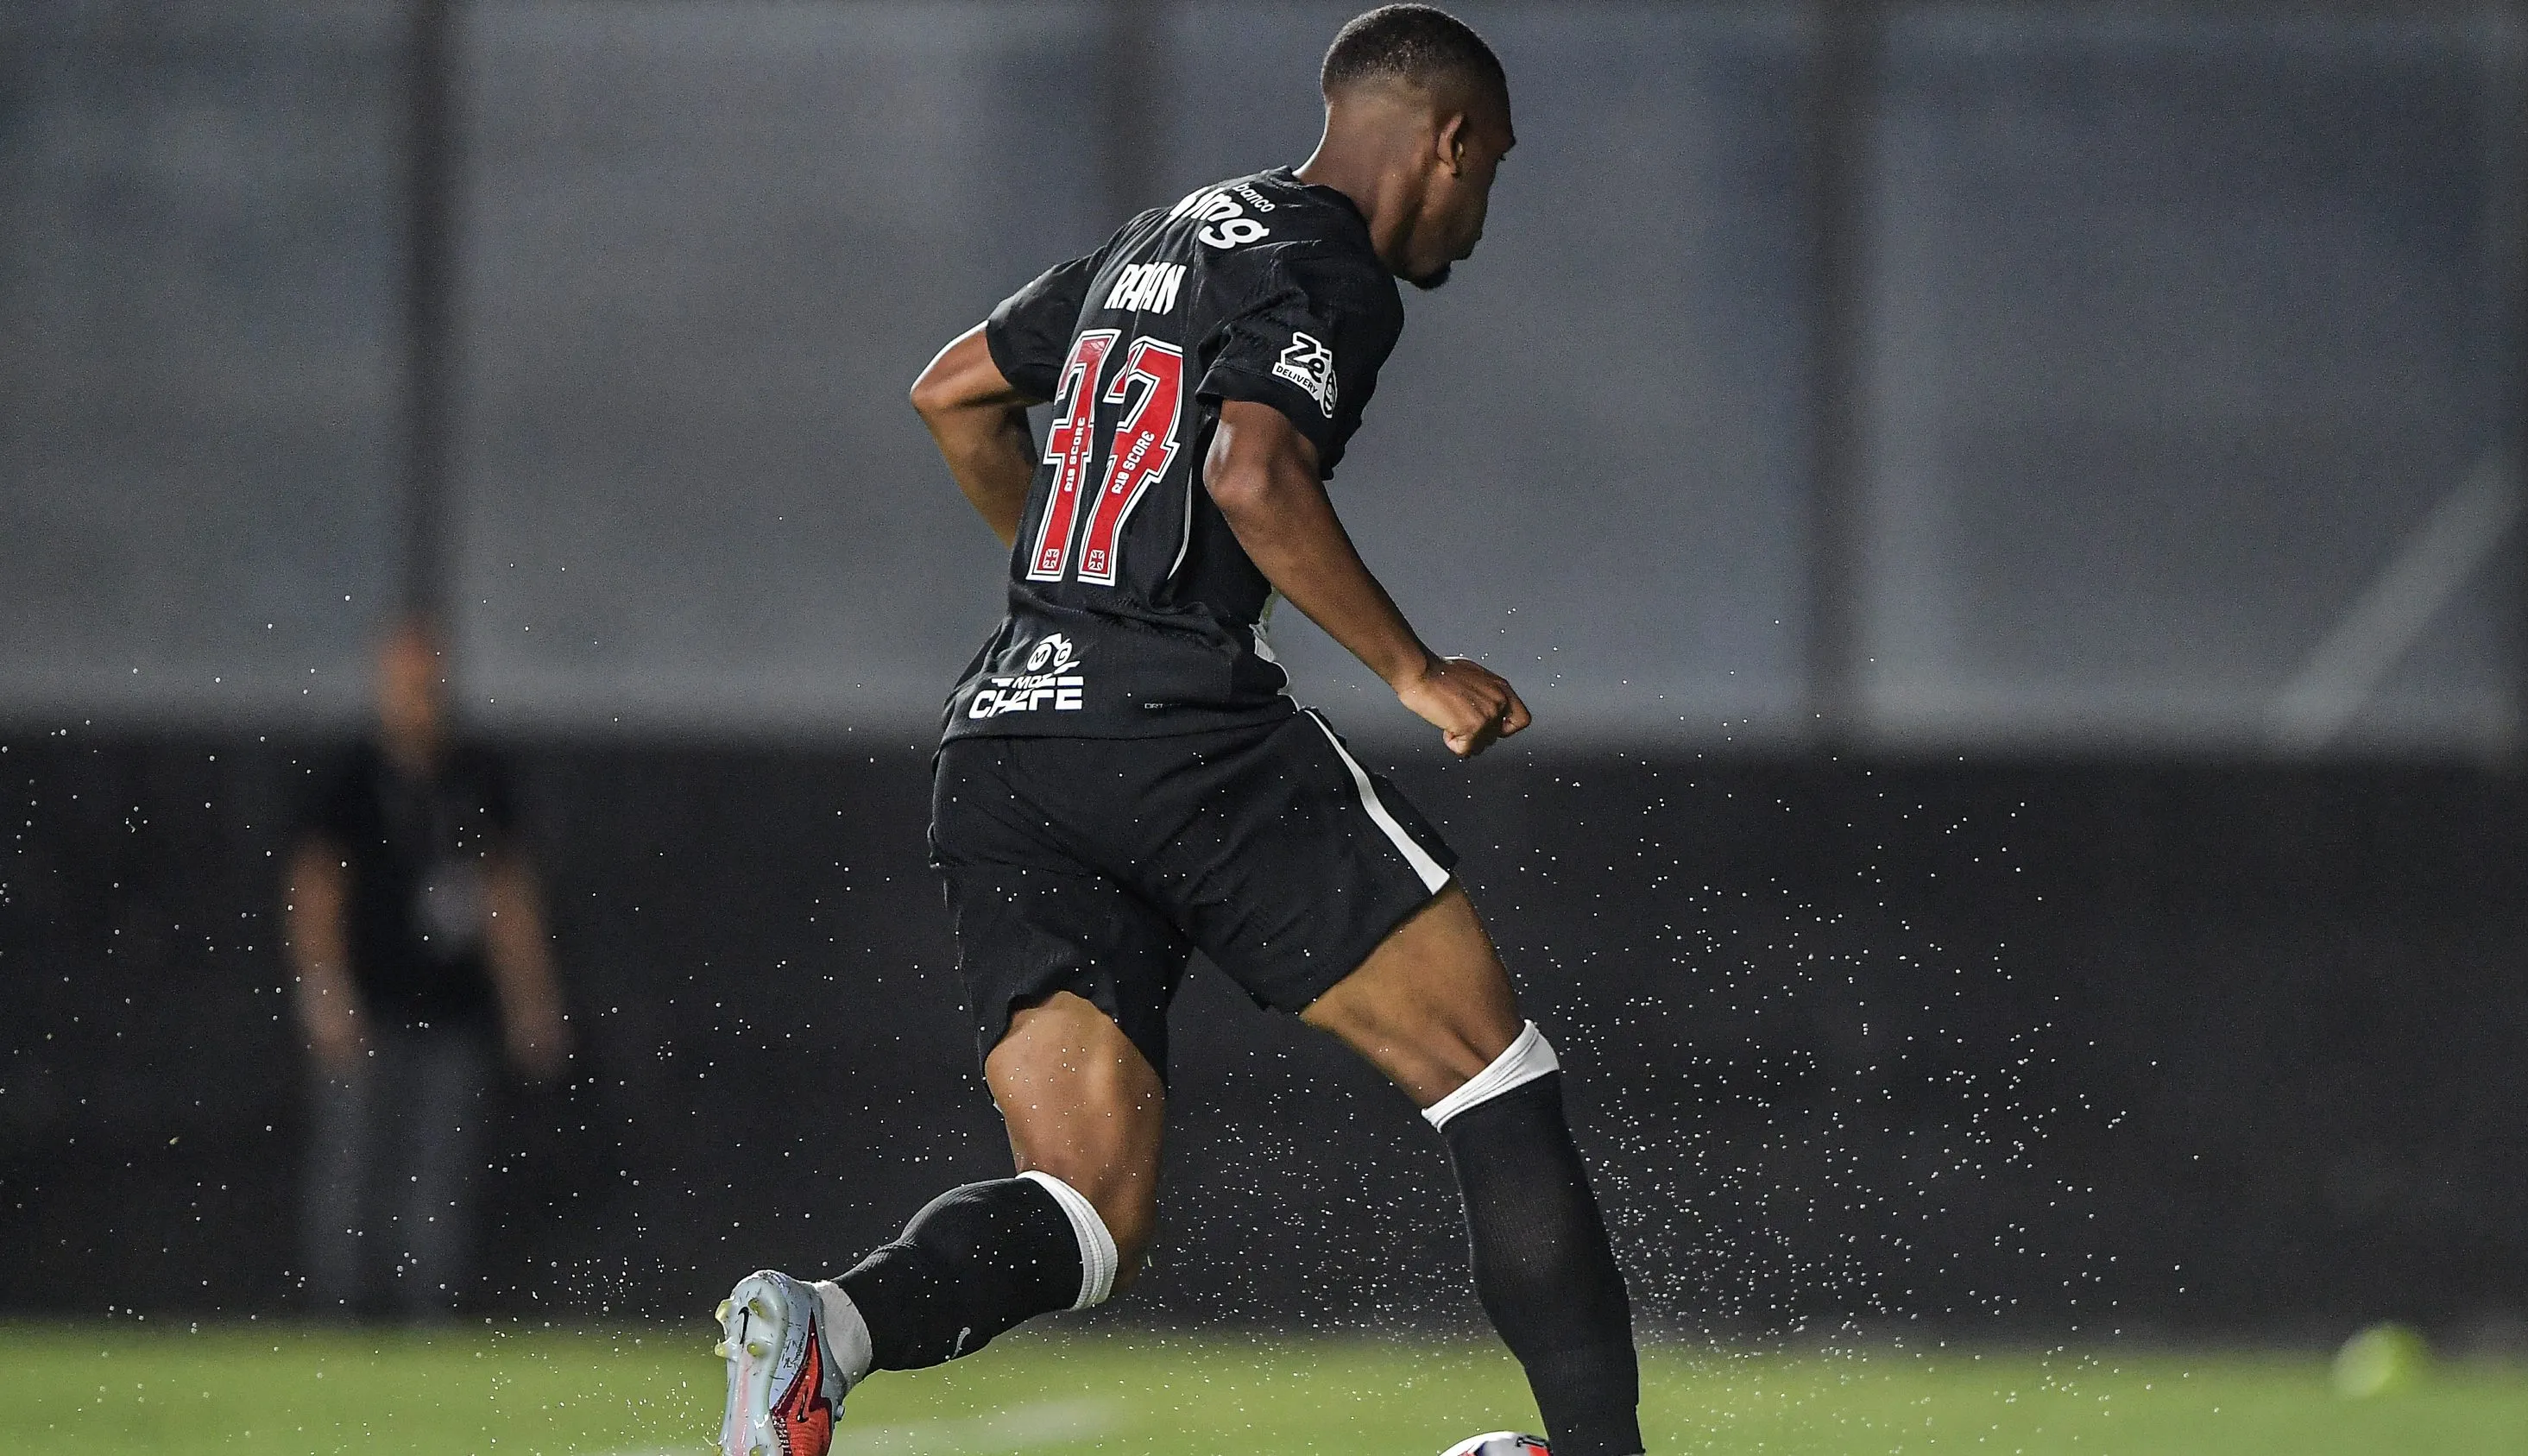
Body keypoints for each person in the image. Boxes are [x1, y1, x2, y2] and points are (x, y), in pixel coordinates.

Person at [716, 7, 1642, 1453]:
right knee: (1490, 1068)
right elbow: (1252, 473)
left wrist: (1085, 596)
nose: (1483, 209)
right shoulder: (1328, 259)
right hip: (1175, 732)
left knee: (1089, 1205)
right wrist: (1413, 669)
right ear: (1449, 142)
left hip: (1008, 736)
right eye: (1495, 169)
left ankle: (826, 1329)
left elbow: (953, 394)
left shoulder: (1160, 239)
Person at [283, 616, 570, 1319]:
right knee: (352, 1165)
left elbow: (506, 890)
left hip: (453, 1009)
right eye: (404, 683)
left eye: (428, 683)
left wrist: (530, 1000)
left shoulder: (475, 774)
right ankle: (339, 1318)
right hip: (372, 1006)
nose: (418, 698)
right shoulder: (352, 777)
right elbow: (316, 885)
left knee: (439, 1172)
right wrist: (324, 989)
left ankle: (427, 1320)